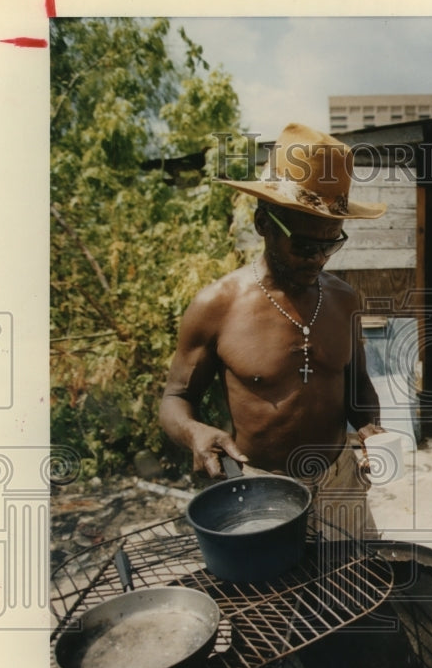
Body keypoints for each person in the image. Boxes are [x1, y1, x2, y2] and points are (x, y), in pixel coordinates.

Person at [160, 122, 387, 539]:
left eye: (330, 244)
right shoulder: (217, 307)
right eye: (303, 246)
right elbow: (176, 398)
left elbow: (357, 386)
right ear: (263, 222)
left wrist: (371, 426)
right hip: (261, 490)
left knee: (358, 589)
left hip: (341, 483)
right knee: (277, 598)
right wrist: (195, 431)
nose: (317, 259)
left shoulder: (344, 301)